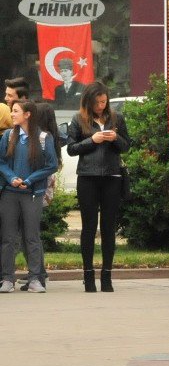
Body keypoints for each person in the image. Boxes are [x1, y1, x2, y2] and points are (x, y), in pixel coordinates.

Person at [66, 82, 130, 293]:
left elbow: (127, 146)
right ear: (89, 101)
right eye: (97, 103)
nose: (101, 106)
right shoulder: (78, 119)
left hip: (112, 176)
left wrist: (115, 138)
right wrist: (92, 140)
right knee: (89, 227)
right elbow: (72, 149)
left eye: (104, 102)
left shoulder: (116, 118)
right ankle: (88, 275)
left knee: (109, 228)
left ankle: (107, 276)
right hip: (88, 177)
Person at [0, 101, 58, 294]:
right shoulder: (8, 136)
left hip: (32, 194)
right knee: (8, 238)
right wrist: (11, 177)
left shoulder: (43, 138)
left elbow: (51, 165)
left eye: (15, 111)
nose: (12, 114)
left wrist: (31, 179)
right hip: (10, 193)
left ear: (28, 115)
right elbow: (1, 162)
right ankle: (7, 279)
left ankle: (35, 279)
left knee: (32, 237)